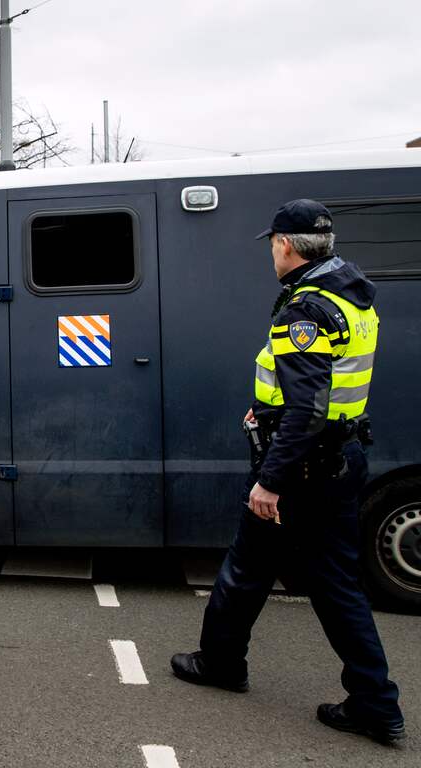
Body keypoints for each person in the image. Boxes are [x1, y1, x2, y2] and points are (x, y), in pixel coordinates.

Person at [171, 200, 404, 743]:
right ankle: (373, 700)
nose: (271, 252)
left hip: (303, 469)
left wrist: (270, 480)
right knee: (326, 581)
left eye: (272, 243)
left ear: (286, 245)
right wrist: (269, 411)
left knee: (250, 568)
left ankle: (223, 664)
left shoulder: (303, 311)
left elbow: (307, 408)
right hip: (338, 457)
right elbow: (321, 391)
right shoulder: (350, 296)